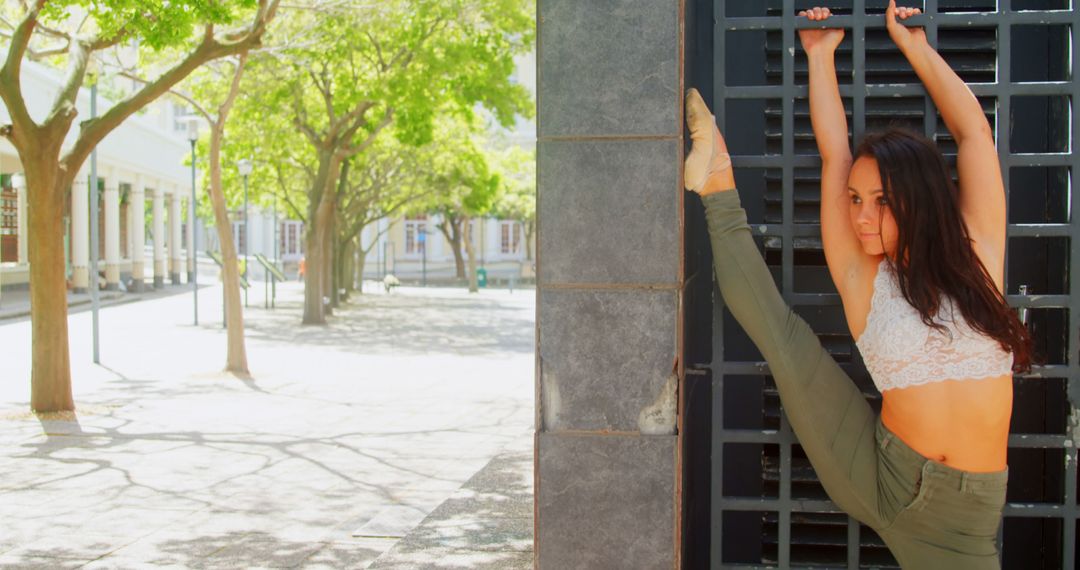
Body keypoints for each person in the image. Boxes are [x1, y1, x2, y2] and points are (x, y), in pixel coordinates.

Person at [684, 2, 1031, 567]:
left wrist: (916, 47)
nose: (861, 217)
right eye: (855, 200)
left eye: (881, 202)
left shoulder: (978, 254)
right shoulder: (865, 274)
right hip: (885, 477)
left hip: (965, 524)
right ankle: (715, 178)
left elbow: (973, 134)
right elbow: (835, 153)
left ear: (917, 200)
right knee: (785, 341)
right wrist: (820, 58)